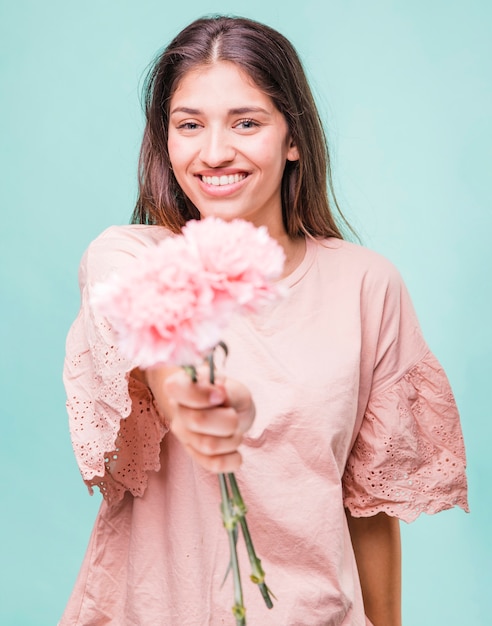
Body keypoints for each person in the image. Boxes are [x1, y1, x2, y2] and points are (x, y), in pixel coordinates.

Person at [60, 15, 468, 626]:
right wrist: (199, 402)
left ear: (293, 137)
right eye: (189, 125)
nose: (215, 152)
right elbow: (163, 355)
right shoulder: (128, 255)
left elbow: (371, 507)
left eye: (246, 123)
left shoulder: (367, 285)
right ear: (164, 140)